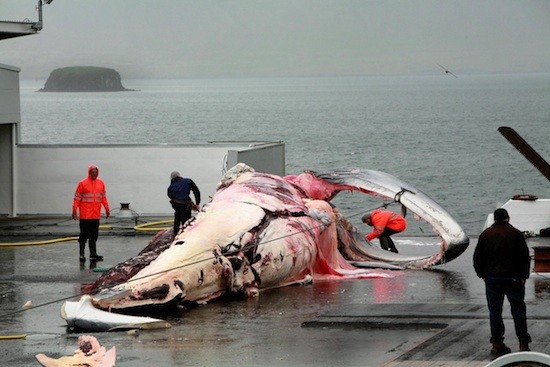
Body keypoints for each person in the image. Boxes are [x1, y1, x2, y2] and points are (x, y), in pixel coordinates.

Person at [473, 208, 531, 357]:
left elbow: (477, 258)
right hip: (514, 279)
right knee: (518, 310)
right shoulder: (516, 234)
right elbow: (524, 257)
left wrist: (482, 275)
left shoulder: (486, 234)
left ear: (494, 219)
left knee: (495, 311)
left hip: (492, 279)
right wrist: (524, 276)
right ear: (508, 218)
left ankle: (497, 344)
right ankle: (523, 344)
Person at [72, 164, 110, 262]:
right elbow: (77, 198)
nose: (95, 174)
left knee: (94, 235)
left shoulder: (101, 183)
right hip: (85, 215)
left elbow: (103, 198)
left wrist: (107, 208)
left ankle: (93, 254)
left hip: (95, 215)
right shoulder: (82, 183)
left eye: (96, 172)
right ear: (89, 173)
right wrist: (74, 210)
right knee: (84, 235)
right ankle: (82, 254)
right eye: (93, 172)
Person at [167, 171, 201, 237]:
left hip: (175, 204)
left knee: (177, 217)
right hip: (185, 205)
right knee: (186, 220)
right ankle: (186, 236)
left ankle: (175, 234)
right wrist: (197, 203)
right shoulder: (188, 181)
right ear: (179, 175)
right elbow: (196, 191)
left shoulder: (171, 186)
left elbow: (169, 195)